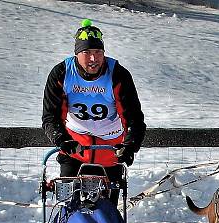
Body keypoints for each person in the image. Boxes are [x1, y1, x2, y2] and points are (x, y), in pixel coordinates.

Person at [42, 19, 146, 189]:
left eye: (98, 51)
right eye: (87, 52)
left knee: (107, 211)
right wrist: (62, 140)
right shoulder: (61, 74)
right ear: (77, 54)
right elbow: (50, 116)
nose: (93, 58)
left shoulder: (118, 75)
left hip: (110, 153)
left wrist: (130, 145)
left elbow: (134, 118)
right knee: (69, 207)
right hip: (74, 150)